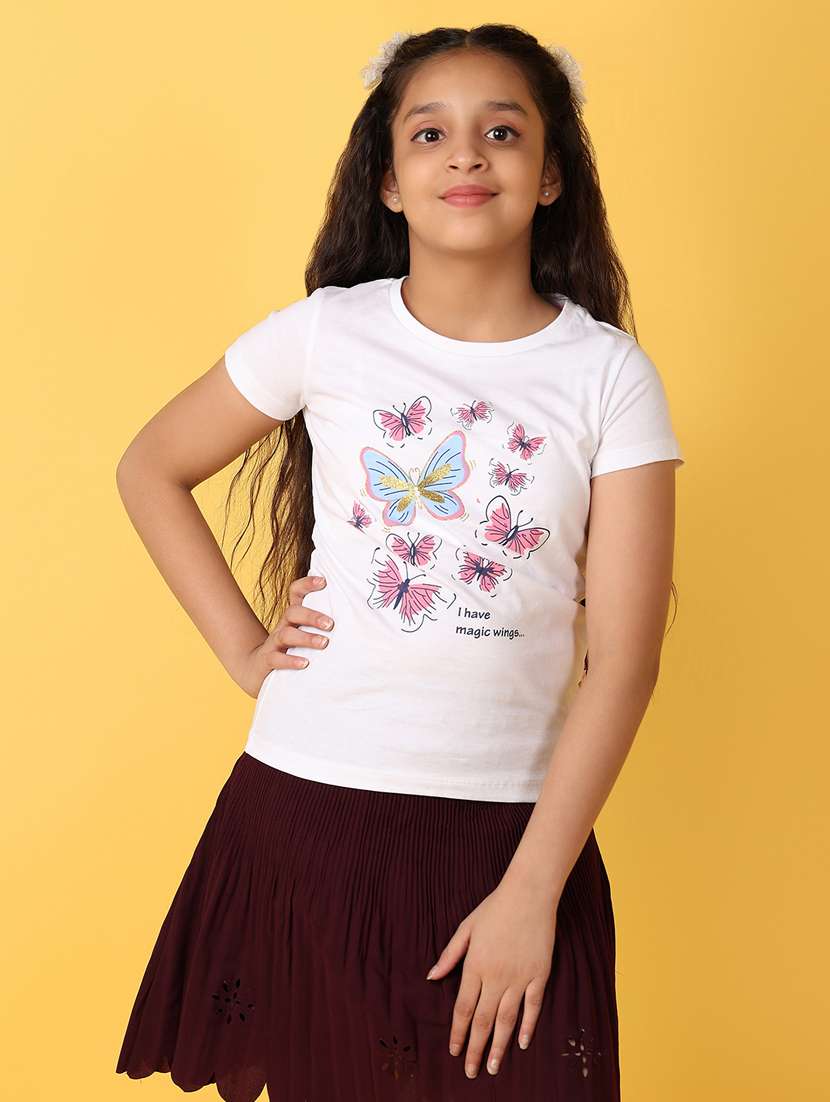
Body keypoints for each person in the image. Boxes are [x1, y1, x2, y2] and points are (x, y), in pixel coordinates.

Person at [114, 23, 684, 1102]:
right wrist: (243, 649)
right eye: (429, 133)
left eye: (501, 131)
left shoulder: (609, 376)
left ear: (550, 173)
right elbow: (150, 467)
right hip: (307, 815)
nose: (465, 153)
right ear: (386, 180)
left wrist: (532, 891)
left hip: (512, 836)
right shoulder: (327, 333)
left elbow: (624, 661)